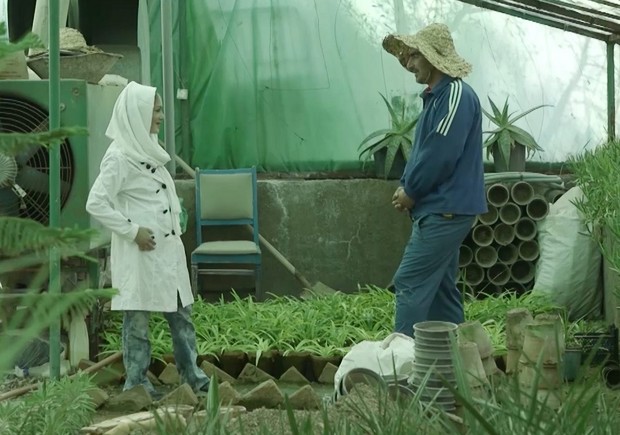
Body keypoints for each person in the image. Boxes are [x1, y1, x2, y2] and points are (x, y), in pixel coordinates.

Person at [86, 81, 210, 398]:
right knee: (137, 320)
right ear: (138, 114)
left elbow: (158, 192)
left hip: (167, 251)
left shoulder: (148, 147)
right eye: (156, 110)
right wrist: (132, 231)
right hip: (141, 253)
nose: (161, 116)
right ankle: (137, 383)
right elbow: (96, 202)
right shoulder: (119, 157)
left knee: (181, 315)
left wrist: (176, 211)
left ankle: (193, 377)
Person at [382, 23, 487, 336]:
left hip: (446, 208)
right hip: (440, 208)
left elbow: (440, 153)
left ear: (431, 58)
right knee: (441, 292)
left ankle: (402, 364)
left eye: (414, 57)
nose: (409, 64)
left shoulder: (455, 94)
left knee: (410, 281)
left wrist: (411, 190)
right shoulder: (435, 97)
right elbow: (426, 150)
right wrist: (408, 186)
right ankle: (460, 366)